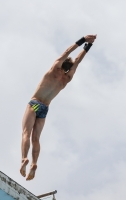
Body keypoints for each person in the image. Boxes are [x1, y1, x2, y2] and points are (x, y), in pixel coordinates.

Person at [20, 34, 97, 180]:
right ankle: (34, 163)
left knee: (26, 133)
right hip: (44, 109)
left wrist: (84, 40)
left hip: (35, 104)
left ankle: (24, 159)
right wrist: (89, 47)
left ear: (61, 64)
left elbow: (68, 51)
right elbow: (78, 61)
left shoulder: (54, 69)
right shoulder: (67, 78)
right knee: (36, 138)